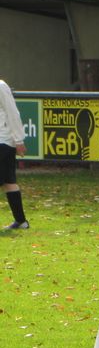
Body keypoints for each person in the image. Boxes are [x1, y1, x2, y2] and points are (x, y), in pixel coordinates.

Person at [0, 78, 29, 233]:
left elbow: (13, 113)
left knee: (8, 182)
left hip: (3, 140)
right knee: (8, 182)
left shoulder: (1, 86)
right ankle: (21, 221)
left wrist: (19, 140)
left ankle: (21, 221)